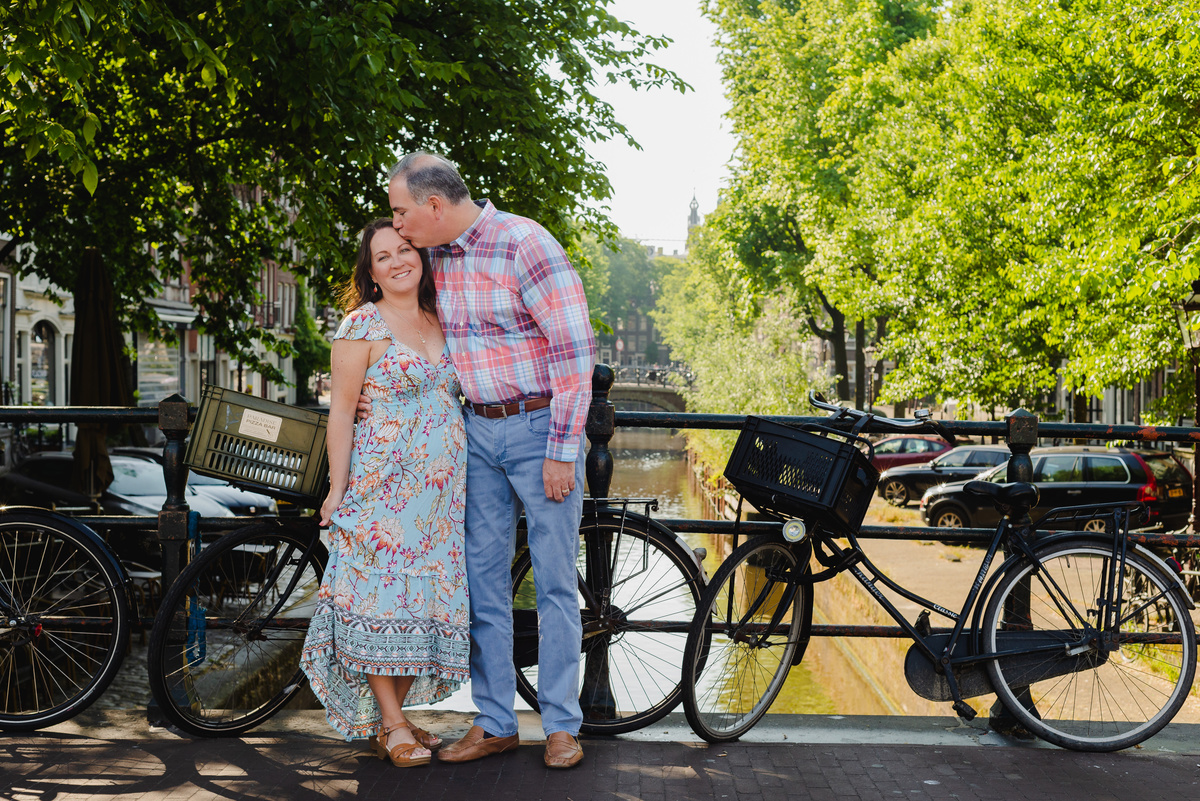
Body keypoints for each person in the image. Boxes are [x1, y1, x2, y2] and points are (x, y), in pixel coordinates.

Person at [362, 151, 595, 769]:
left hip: (541, 429)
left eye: (402, 212)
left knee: (554, 584)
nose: (399, 226)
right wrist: (368, 394)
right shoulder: (434, 255)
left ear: (434, 206)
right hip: (474, 433)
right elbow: (403, 325)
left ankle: (562, 727)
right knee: (482, 586)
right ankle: (495, 721)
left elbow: (575, 352)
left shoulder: (525, 245)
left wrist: (563, 450)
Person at [299, 218, 469, 769]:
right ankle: (392, 723)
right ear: (369, 273)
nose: (398, 261)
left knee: (415, 605)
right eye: (383, 256)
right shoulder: (361, 326)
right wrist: (337, 490)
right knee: (379, 602)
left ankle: (389, 718)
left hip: (440, 501)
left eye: (404, 249)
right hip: (384, 494)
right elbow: (343, 412)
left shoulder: (440, 317)